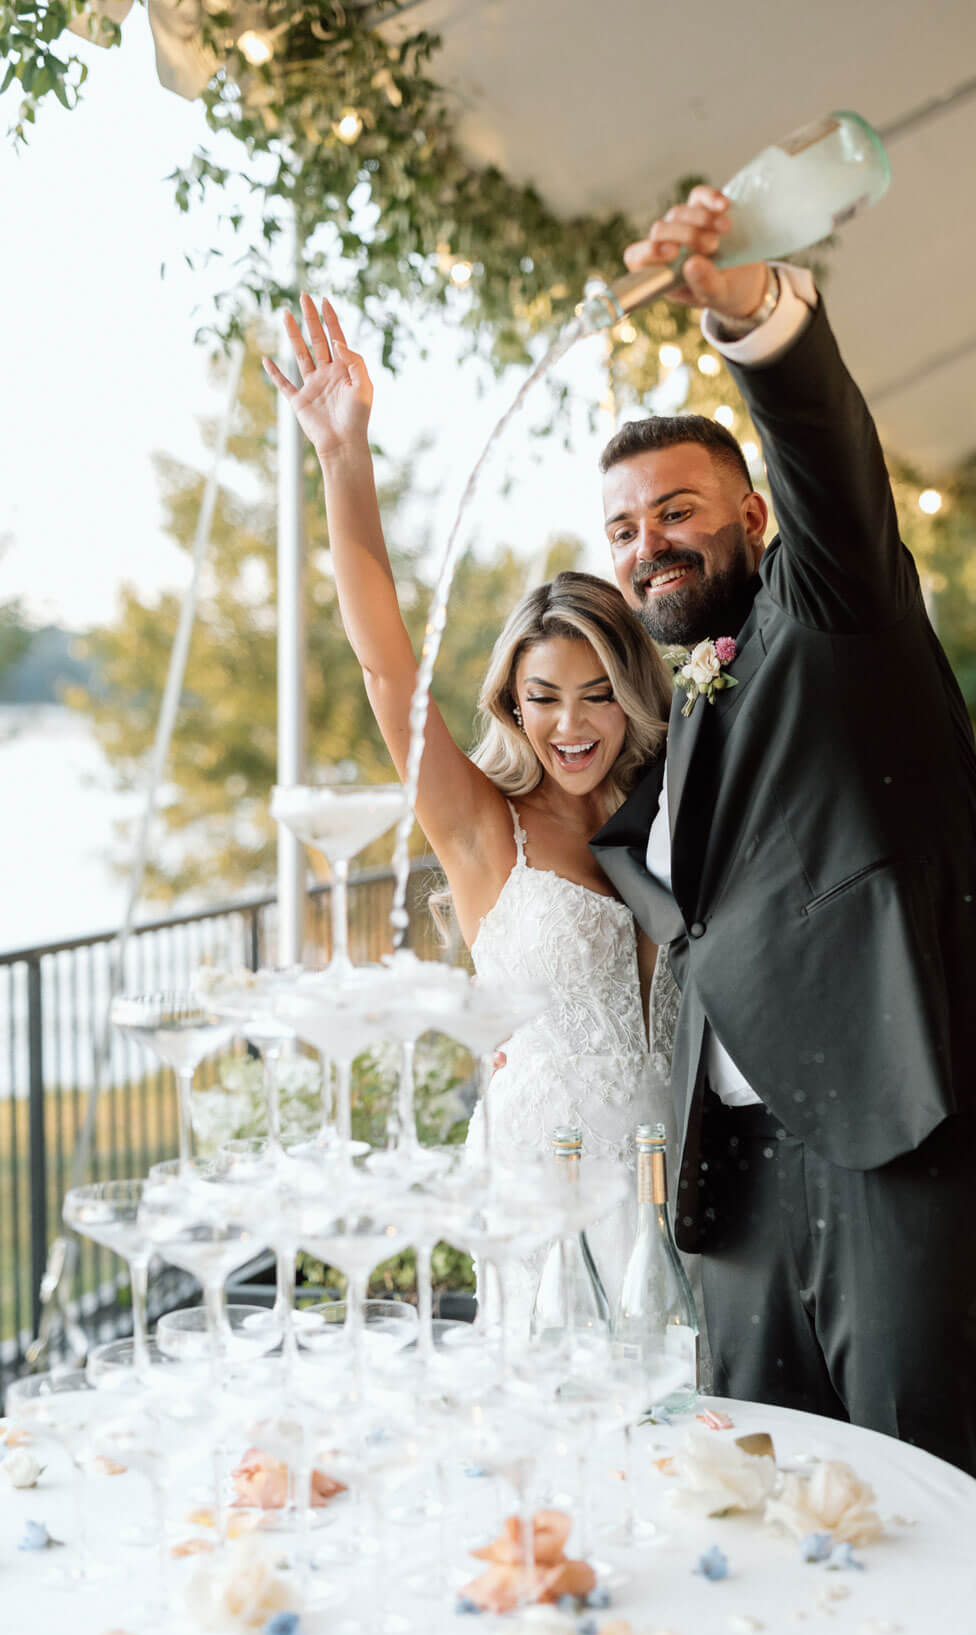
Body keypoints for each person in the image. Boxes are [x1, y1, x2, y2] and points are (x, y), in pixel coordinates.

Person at [590, 187, 976, 1500]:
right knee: (754, 1519)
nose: (650, 545)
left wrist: (754, 316)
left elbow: (826, 456)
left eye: (678, 509)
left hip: (908, 1152)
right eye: (625, 529)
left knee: (919, 1521)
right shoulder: (669, 729)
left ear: (753, 519)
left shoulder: (834, 618)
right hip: (734, 1201)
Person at [260, 296, 680, 1310]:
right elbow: (384, 670)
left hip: (678, 1180)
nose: (571, 726)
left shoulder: (673, 814)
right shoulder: (485, 827)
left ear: (632, 695)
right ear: (512, 702)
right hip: (546, 1181)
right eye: (543, 699)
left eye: (597, 697)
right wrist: (343, 456)